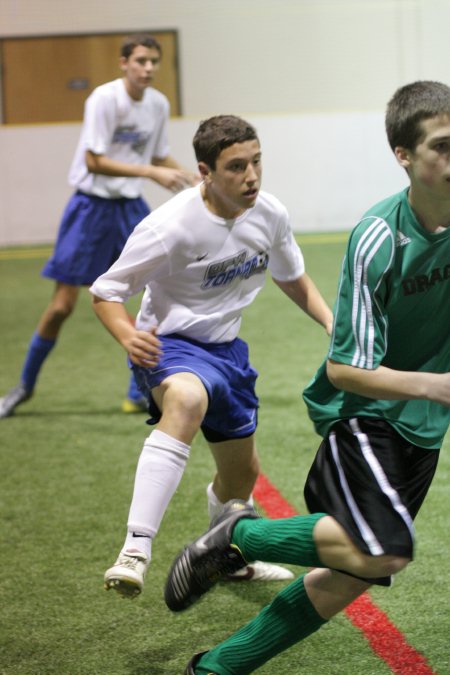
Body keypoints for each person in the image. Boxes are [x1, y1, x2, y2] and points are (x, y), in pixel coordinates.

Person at [164, 80, 450, 674]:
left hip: (425, 427)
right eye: (442, 147)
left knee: (351, 575)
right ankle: (241, 536)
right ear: (404, 155)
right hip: (367, 418)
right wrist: (433, 385)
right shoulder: (380, 237)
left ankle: (213, 668)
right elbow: (347, 370)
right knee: (386, 551)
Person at [89, 114, 334, 596]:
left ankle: (227, 558)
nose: (252, 177)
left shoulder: (270, 214)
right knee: (186, 400)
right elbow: (105, 292)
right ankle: (135, 548)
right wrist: (126, 336)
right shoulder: (169, 227)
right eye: (236, 167)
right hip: (171, 346)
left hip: (228, 353)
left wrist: (330, 322)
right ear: (205, 171)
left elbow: (290, 276)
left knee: (241, 474)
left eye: (257, 162)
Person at [0, 33, 198, 420]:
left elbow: (158, 154)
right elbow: (94, 161)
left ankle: (137, 391)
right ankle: (22, 387)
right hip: (91, 208)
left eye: (154, 61)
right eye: (141, 60)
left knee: (153, 296)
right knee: (61, 307)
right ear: (123, 63)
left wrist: (194, 178)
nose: (148, 68)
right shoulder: (105, 99)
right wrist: (151, 172)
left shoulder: (157, 104)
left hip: (130, 209)